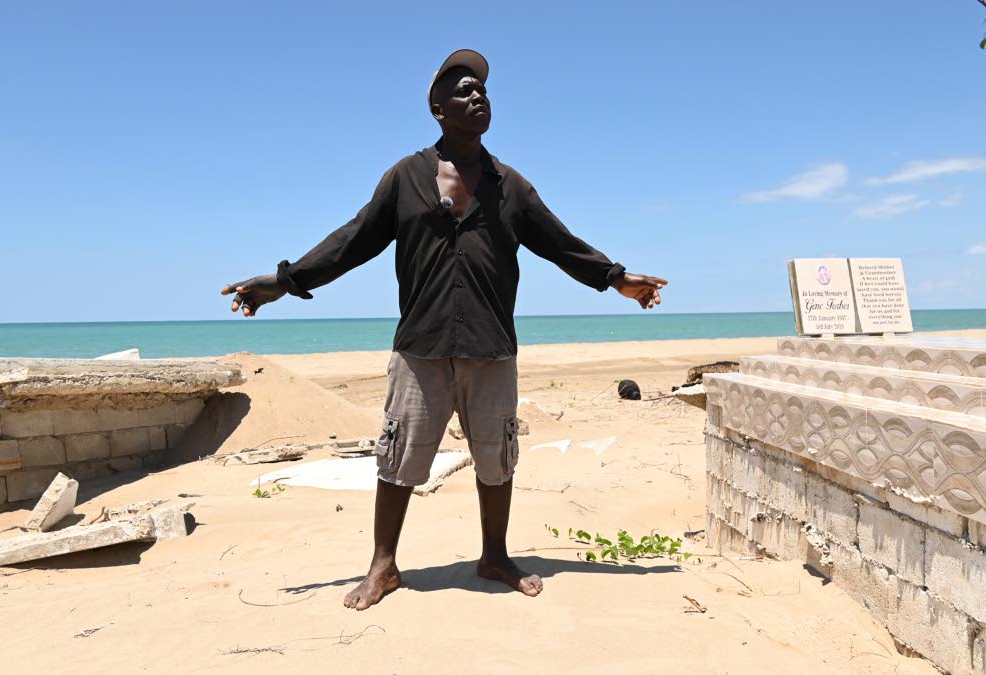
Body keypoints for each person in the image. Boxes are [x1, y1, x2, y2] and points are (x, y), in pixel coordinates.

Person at [222, 49, 667, 610]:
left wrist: (616, 278)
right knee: (399, 458)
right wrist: (282, 282)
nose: (477, 95)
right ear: (437, 108)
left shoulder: (512, 187)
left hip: (490, 346)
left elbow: (560, 242)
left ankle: (495, 556)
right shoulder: (405, 178)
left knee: (496, 458)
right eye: (462, 90)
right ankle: (383, 567)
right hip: (421, 347)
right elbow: (352, 241)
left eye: (482, 89)